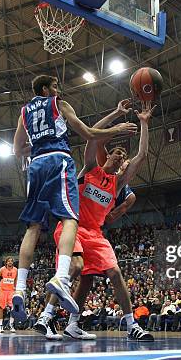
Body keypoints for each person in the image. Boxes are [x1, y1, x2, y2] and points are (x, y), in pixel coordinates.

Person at [12, 75, 137, 322]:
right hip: (58, 160)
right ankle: (61, 276)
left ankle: (20, 287)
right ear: (46, 89)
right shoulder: (59, 103)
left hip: (36, 164)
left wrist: (40, 144)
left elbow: (17, 150)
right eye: (55, 86)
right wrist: (118, 127)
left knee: (33, 227)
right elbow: (89, 132)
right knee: (70, 218)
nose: (59, 89)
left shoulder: (24, 112)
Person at [35, 101, 155, 341]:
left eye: (123, 158)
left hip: (96, 234)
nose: (121, 158)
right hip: (73, 227)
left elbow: (142, 155)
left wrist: (143, 123)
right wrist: (116, 115)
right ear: (108, 155)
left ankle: (128, 325)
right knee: (76, 267)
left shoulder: (117, 184)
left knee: (112, 273)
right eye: (117, 153)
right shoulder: (91, 168)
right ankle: (45, 317)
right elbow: (91, 136)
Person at [0, 256, 17, 333]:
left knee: (13, 307)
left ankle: (11, 325)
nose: (10, 262)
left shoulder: (16, 270)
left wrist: (15, 288)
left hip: (11, 291)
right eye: (9, 261)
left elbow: (16, 280)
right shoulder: (2, 269)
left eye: (11, 261)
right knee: (0, 308)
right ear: (6, 262)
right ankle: (1, 326)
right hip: (2, 290)